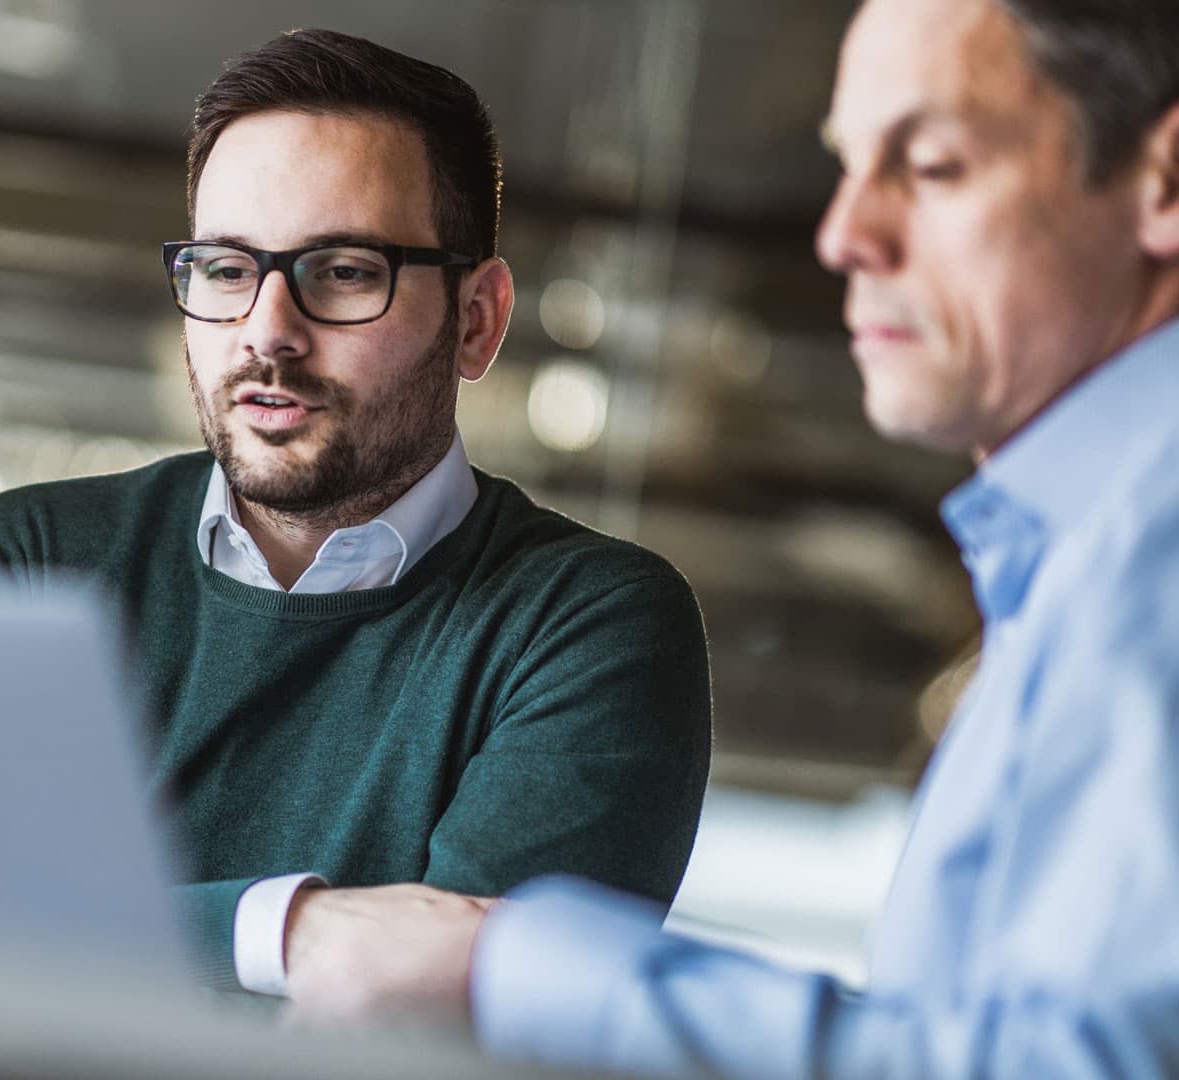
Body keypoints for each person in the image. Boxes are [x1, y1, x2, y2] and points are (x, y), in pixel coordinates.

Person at [278, 0, 1179, 1074]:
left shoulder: (1152, 558)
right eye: (848, 166)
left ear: (1161, 184)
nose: (845, 234)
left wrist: (516, 969)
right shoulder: (1072, 566)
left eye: (931, 165)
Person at [0, 28, 712, 997]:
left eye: (343, 271)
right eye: (224, 268)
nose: (267, 331)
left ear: (477, 320)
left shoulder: (585, 625)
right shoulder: (35, 557)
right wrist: (294, 933)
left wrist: (72, 932)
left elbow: (461, 1020)